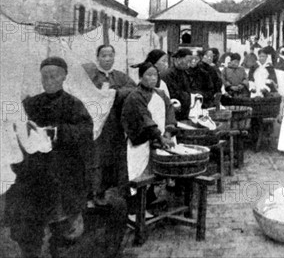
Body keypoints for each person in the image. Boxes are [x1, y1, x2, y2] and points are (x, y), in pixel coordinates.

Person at [6, 57, 96, 258]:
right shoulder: (29, 104)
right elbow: (15, 129)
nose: (49, 80)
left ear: (64, 77)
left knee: (63, 228)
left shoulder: (74, 105)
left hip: (62, 176)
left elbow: (85, 132)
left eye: (54, 75)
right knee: (28, 229)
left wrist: (56, 132)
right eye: (45, 76)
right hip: (32, 177)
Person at [121, 62, 177, 217]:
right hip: (141, 141)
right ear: (140, 77)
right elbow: (143, 117)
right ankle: (134, 212)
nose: (153, 78)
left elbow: (169, 110)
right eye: (149, 75)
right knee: (139, 174)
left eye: (155, 75)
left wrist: (168, 132)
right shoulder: (135, 96)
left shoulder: (160, 93)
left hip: (159, 141)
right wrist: (158, 135)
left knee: (154, 173)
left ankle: (148, 203)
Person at [84, 45, 136, 204]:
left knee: (113, 158)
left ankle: (109, 191)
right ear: (97, 57)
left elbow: (133, 90)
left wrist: (116, 93)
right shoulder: (90, 77)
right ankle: (92, 193)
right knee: (95, 158)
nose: (107, 59)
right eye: (103, 56)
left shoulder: (120, 77)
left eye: (110, 56)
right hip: (95, 125)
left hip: (114, 125)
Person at [162, 48, 193, 121]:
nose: (189, 63)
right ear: (178, 59)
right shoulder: (168, 74)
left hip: (184, 114)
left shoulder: (185, 73)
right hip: (174, 114)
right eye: (187, 60)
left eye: (190, 61)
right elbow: (173, 93)